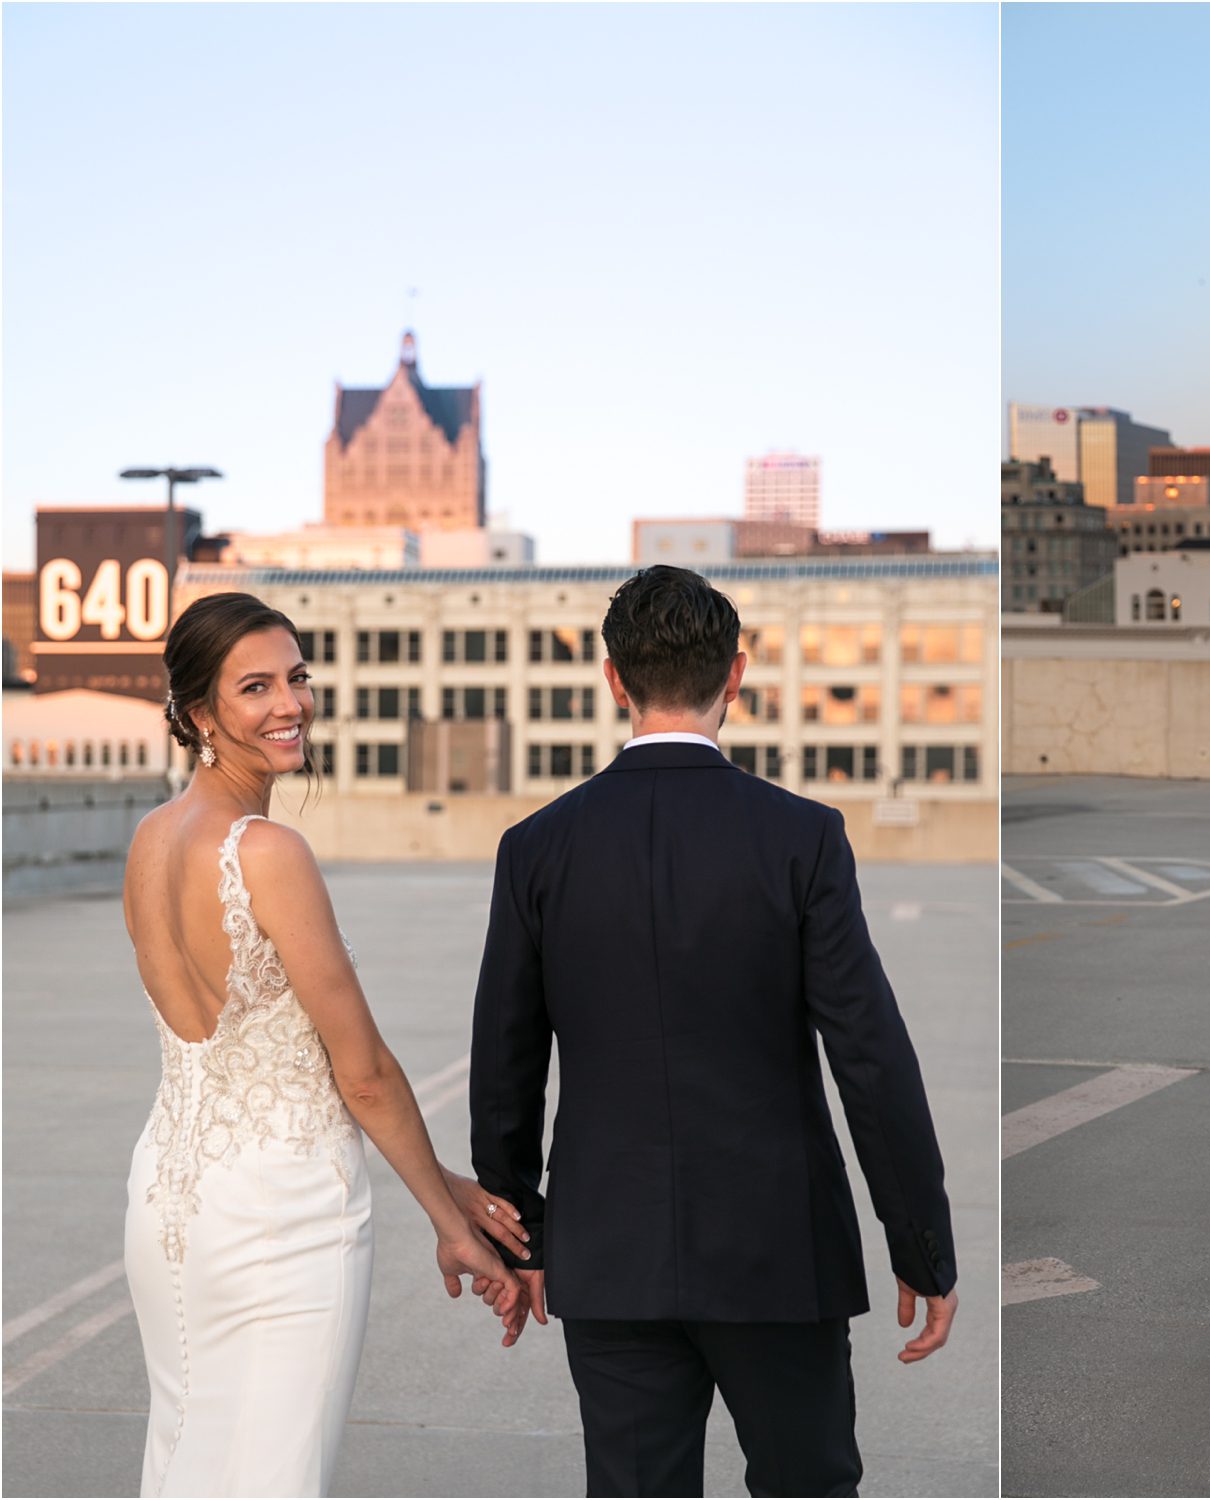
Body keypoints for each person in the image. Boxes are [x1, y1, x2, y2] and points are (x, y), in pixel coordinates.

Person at [468, 564, 959, 1498]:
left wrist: (522, 1238)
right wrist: (921, 1245)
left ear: (613, 680)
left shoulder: (536, 847)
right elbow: (870, 1057)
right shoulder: (802, 837)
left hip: (609, 1250)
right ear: (736, 674)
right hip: (778, 1248)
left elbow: (504, 1066)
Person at [122, 592, 523, 1498]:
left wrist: (445, 1183)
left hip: (168, 1204)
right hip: (283, 1216)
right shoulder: (268, 851)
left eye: (296, 677)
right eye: (255, 687)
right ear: (199, 714)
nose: (291, 704)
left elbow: (271, 1062)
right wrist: (450, 1225)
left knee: (187, 1462)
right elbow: (363, 1072)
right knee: (272, 1477)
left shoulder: (149, 840)